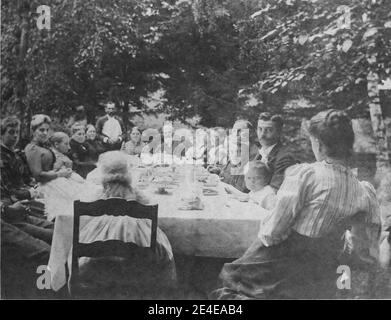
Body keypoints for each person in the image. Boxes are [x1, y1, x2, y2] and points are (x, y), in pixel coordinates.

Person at [210, 109, 381, 300]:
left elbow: (271, 233)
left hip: (284, 266)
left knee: (225, 277)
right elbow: (364, 251)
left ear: (318, 144)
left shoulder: (306, 175)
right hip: (323, 273)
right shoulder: (364, 191)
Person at [77, 151, 177, 293]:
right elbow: (149, 204)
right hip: (133, 235)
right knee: (155, 245)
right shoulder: (133, 191)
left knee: (89, 242)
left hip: (101, 239)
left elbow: (88, 207)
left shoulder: (100, 193)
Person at [24, 115, 87, 221]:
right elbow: (38, 175)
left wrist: (61, 170)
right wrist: (59, 174)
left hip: (54, 180)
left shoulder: (43, 147)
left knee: (85, 193)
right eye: (41, 130)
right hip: (46, 185)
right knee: (75, 203)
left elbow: (51, 167)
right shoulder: (33, 149)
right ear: (33, 131)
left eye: (47, 130)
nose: (45, 133)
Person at [253, 112, 299, 190]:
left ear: (279, 133)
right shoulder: (260, 154)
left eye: (268, 130)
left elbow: (274, 189)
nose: (262, 134)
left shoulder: (285, 158)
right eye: (260, 129)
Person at [0, 116, 35, 201]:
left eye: (17, 132)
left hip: (26, 193)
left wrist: (35, 187)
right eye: (11, 132)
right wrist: (30, 193)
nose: (15, 135)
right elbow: (7, 189)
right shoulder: (2, 156)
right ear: (1, 134)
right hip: (10, 200)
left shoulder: (19, 154)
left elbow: (28, 178)